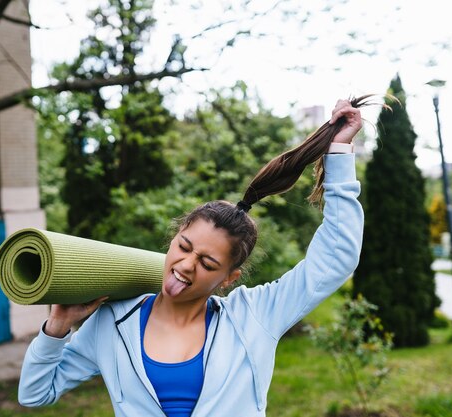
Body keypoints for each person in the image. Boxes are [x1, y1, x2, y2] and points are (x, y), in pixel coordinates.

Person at [18, 99, 365, 416]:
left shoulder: (255, 317)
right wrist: (57, 326)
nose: (185, 265)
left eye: (207, 264)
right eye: (184, 247)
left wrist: (337, 154)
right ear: (173, 238)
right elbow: (35, 394)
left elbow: (335, 259)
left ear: (230, 277)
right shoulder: (112, 321)